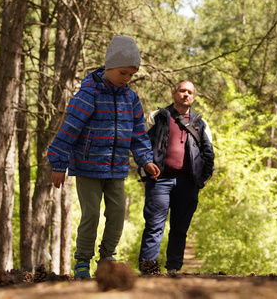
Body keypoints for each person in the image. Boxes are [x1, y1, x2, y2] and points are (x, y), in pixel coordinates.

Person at [47, 35, 160, 279]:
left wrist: (146, 160)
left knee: (118, 213)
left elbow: (139, 136)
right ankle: (82, 263)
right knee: (91, 215)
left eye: (131, 74)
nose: (126, 79)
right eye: (122, 72)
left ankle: (107, 258)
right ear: (109, 66)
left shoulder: (131, 99)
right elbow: (69, 130)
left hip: (117, 169)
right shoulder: (89, 95)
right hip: (88, 167)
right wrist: (58, 163)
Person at [138, 80, 215, 275]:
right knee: (154, 226)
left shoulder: (200, 123)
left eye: (190, 92)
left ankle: (173, 269)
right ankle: (148, 269)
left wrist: (201, 181)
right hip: (159, 182)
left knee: (180, 228)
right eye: (182, 91)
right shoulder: (157, 117)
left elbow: (209, 153)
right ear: (174, 93)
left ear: (194, 97)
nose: (186, 95)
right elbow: (142, 146)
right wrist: (146, 175)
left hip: (188, 184)